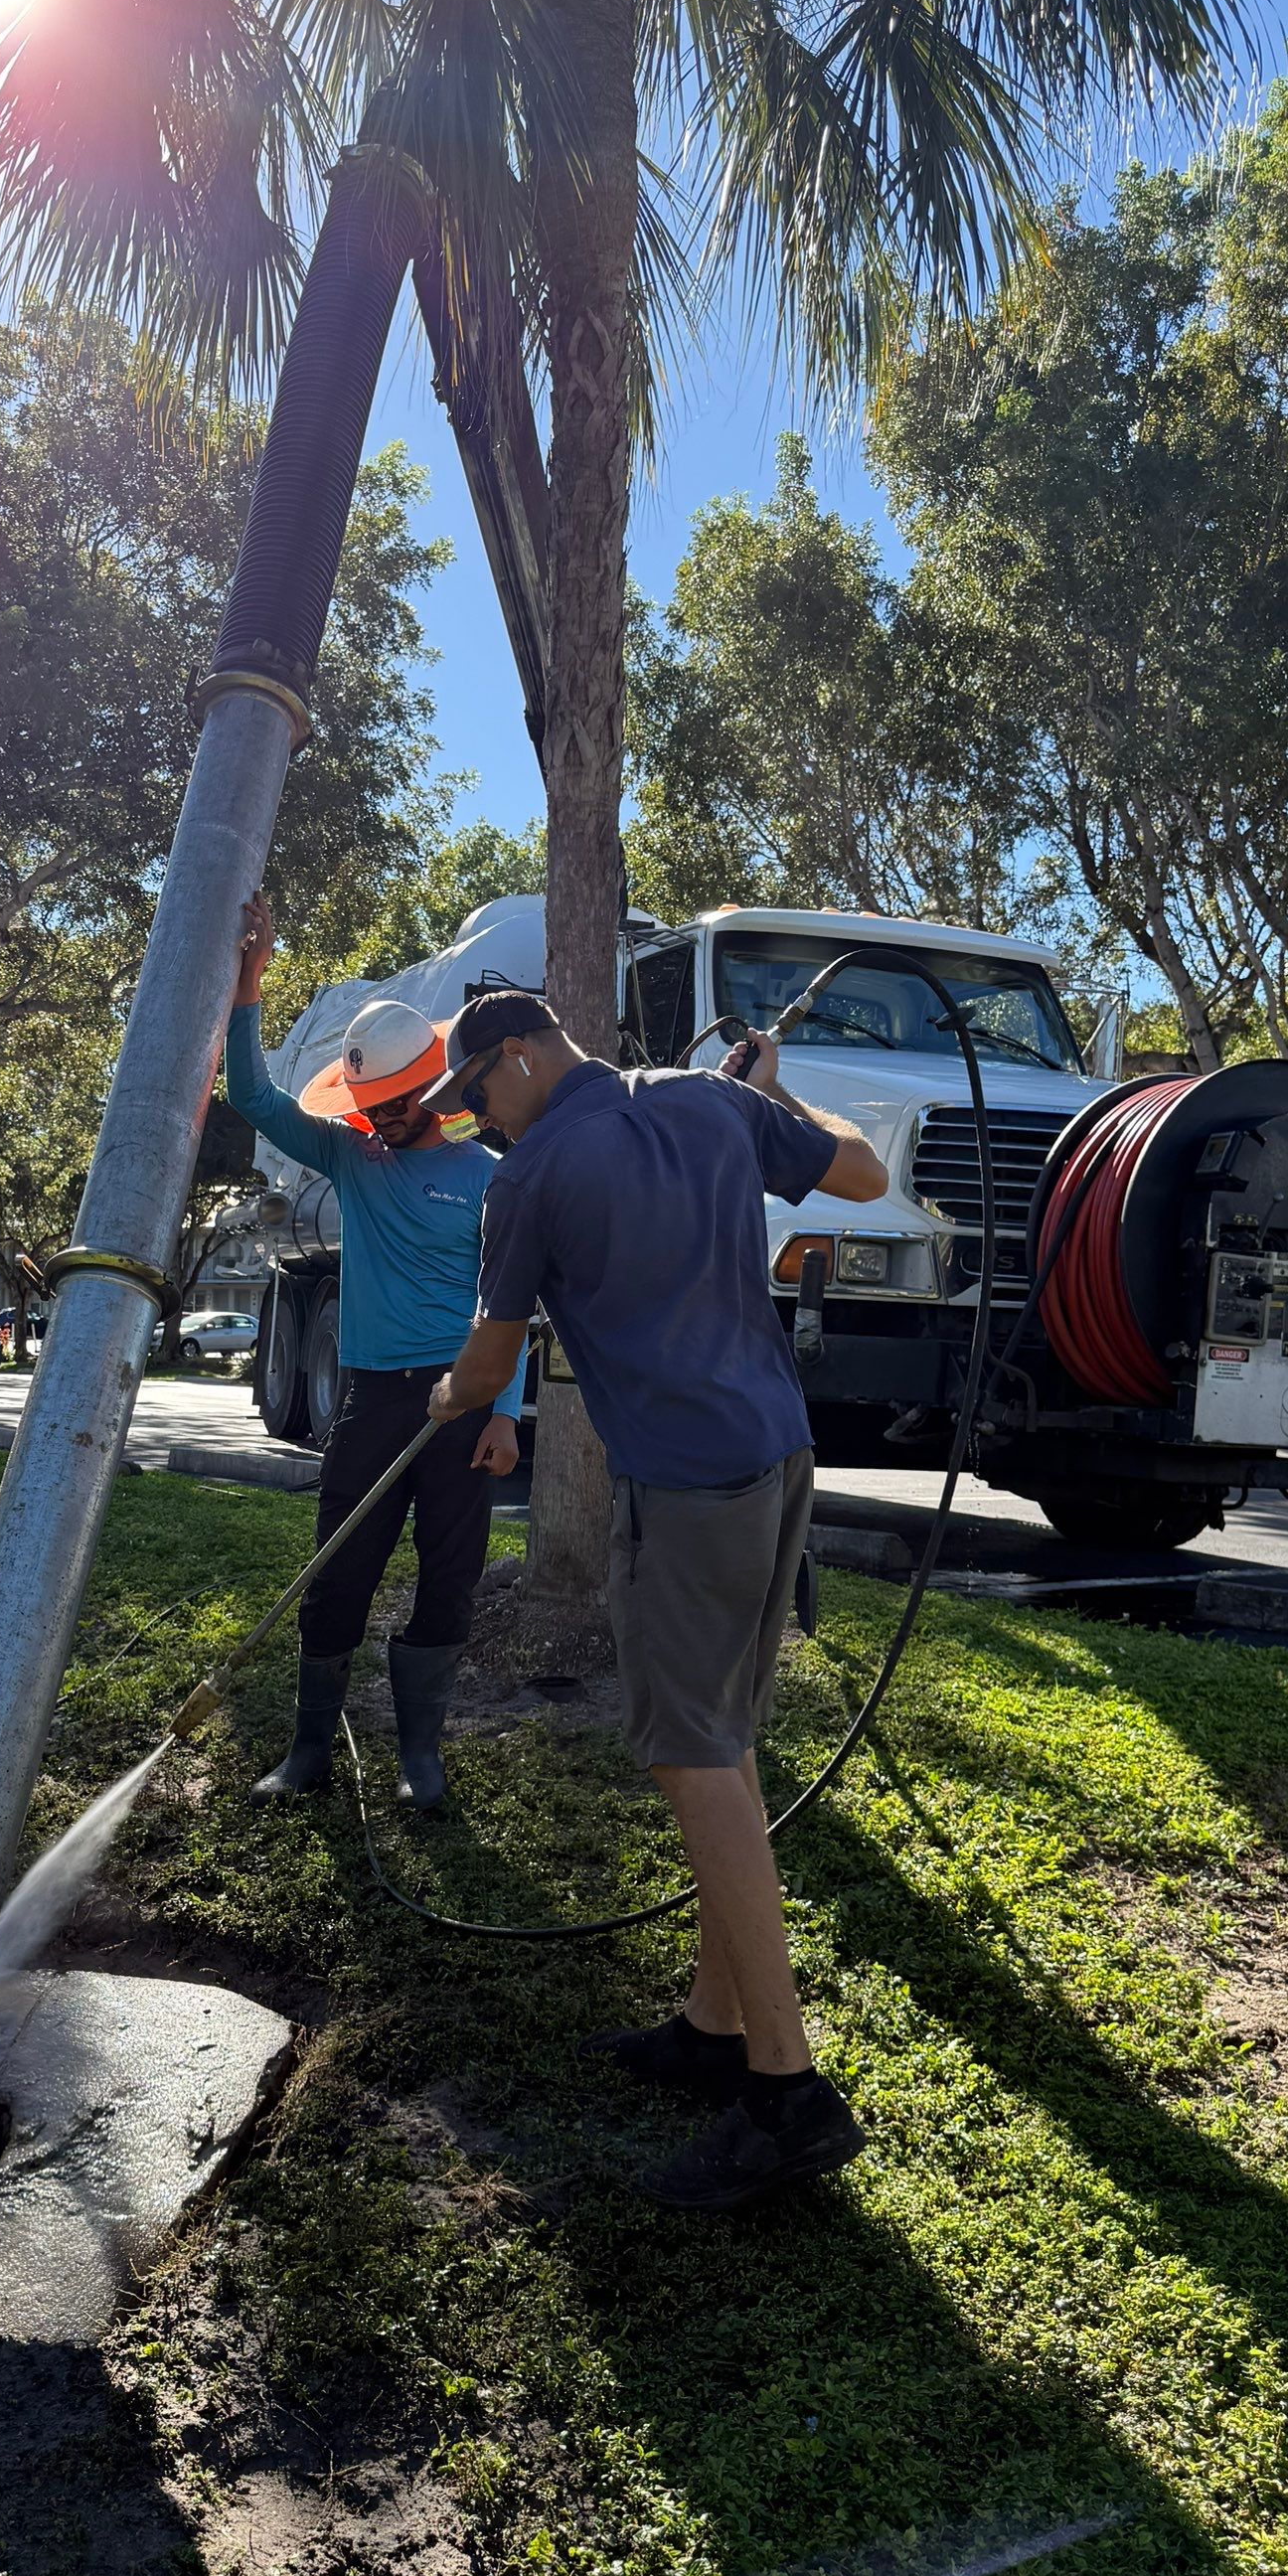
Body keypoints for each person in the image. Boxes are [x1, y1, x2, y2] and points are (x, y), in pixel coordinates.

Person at [420, 990, 888, 2209]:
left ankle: (787, 2093)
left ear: (521, 1055)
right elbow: (862, 1170)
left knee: (693, 1754)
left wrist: (448, 1401)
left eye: (478, 1097)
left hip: (685, 1484)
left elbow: (489, 1357)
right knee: (724, 1739)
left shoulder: (530, 1177)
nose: (481, 1122)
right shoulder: (710, 1101)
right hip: (777, 1458)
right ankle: (714, 2027)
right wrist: (772, 1091)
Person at [225, 891, 524, 1809]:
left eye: (394, 1104)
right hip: (371, 1399)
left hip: (463, 1402)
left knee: (449, 1577)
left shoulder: (489, 1178)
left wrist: (504, 1415)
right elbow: (252, 1097)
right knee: (337, 1572)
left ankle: (419, 1757)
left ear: (432, 1087)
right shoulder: (353, 1159)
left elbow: (511, 1303)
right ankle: (309, 1749)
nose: (381, 1119)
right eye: (368, 1106)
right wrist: (250, 984)